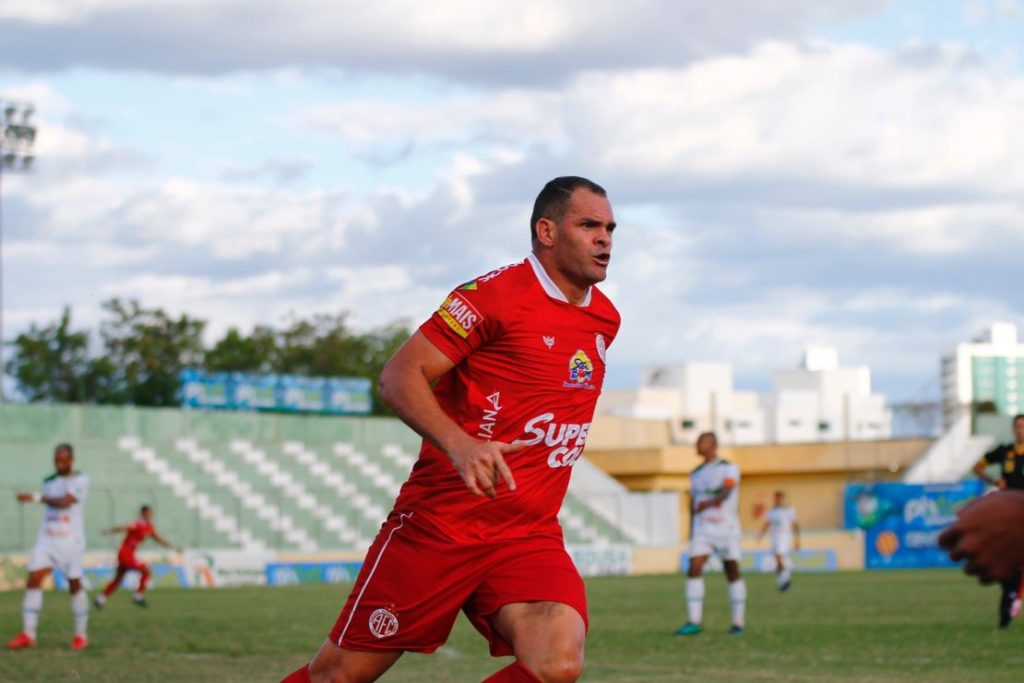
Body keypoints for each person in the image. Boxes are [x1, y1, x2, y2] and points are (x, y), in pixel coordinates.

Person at [281, 176, 619, 683]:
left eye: (610, 228)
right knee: (339, 675)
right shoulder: (493, 296)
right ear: (547, 232)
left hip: (526, 533)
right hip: (442, 526)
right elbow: (399, 375)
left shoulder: (604, 320)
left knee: (557, 662)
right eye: (589, 224)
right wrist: (460, 444)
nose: (605, 238)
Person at [6, 444, 90, 651]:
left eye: (63, 460)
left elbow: (64, 502)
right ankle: (28, 633)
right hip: (47, 540)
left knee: (74, 585)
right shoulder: (49, 482)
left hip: (71, 541)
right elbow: (51, 506)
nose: (59, 464)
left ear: (71, 460)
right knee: (33, 579)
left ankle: (80, 635)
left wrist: (35, 498)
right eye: (57, 460)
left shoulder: (81, 480)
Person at [675, 432, 747, 636]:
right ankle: (694, 621)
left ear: (712, 444)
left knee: (731, 570)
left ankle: (738, 622)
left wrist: (707, 503)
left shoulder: (729, 468)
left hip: (726, 527)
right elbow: (693, 503)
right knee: (694, 567)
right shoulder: (695, 473)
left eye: (701, 442)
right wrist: (690, 529)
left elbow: (727, 492)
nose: (697, 446)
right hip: (702, 529)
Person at [964, 413, 1024, 627]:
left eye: (1023, 427)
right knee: (1009, 561)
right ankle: (1010, 599)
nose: (1020, 430)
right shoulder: (1005, 451)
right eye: (1017, 426)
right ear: (1012, 429)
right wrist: (993, 480)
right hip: (1011, 513)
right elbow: (977, 466)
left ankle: (1015, 597)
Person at [93, 505, 181, 609]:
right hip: (125, 553)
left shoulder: (149, 527)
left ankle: (100, 599)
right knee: (146, 571)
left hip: (129, 554)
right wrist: (109, 531)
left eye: (151, 513)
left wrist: (174, 548)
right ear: (143, 514)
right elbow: (124, 528)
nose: (150, 515)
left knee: (118, 579)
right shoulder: (138, 524)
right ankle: (138, 596)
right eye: (148, 513)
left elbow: (159, 539)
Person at [758, 490, 800, 592]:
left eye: (779, 498)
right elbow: (767, 524)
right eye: (776, 498)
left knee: (779, 557)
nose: (777, 500)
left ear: (782, 499)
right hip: (775, 538)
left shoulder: (789, 510)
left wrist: (797, 539)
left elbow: (795, 524)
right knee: (777, 561)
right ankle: (782, 583)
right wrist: (761, 535)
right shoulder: (772, 511)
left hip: (784, 538)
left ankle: (786, 579)